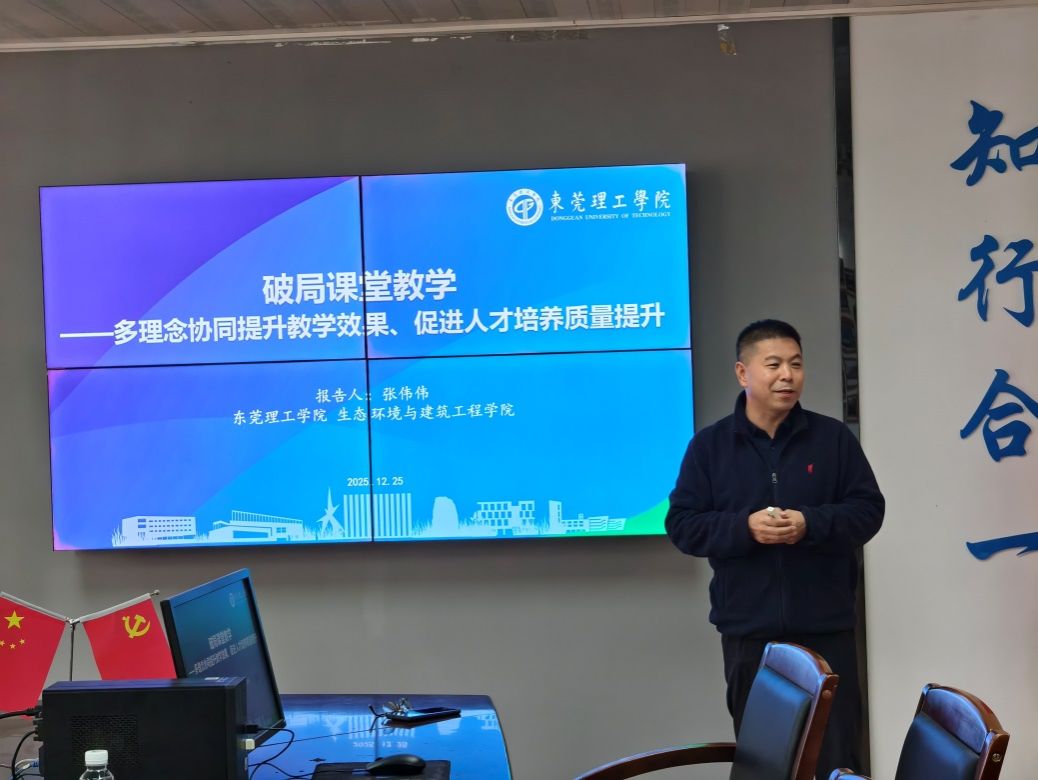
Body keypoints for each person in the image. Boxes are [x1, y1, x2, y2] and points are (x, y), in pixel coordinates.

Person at [665, 319, 884, 780]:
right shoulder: (710, 447)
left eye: (796, 364)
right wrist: (744, 528)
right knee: (765, 764)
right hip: (750, 636)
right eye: (774, 365)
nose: (788, 375)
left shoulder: (832, 439)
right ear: (743, 373)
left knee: (837, 758)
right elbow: (682, 525)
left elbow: (868, 512)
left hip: (827, 631)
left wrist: (810, 523)